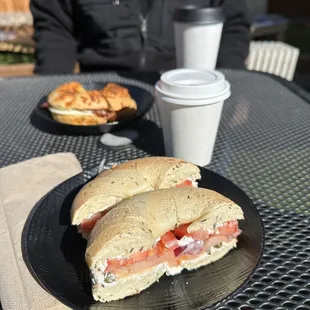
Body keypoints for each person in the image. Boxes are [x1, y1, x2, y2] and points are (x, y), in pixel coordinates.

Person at [30, 0, 250, 74]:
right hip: (100, 92)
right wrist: (52, 88)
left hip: (189, 89)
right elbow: (54, 26)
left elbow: (233, 23)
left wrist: (235, 82)